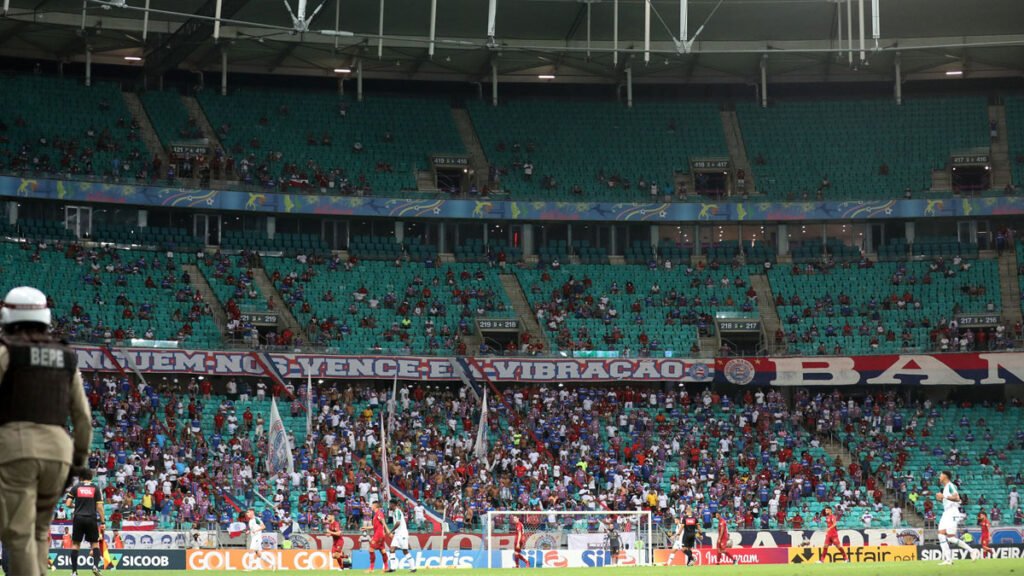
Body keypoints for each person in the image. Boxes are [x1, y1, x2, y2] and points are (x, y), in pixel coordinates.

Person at [0, 286, 92, 576]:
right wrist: (78, 462)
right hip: (59, 452)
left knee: (19, 534)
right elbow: (83, 418)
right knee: (40, 531)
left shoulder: (7, 352)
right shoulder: (66, 358)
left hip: (16, 449)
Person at [65, 468, 105, 576]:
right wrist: (103, 522)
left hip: (78, 518)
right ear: (91, 477)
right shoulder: (96, 488)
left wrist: (76, 506)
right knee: (95, 544)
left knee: (75, 545)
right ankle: (95, 566)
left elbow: (68, 503)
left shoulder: (76, 487)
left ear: (81, 477)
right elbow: (100, 507)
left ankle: (74, 572)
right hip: (91, 518)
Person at [937, 470, 978, 564]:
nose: (939, 477)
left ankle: (972, 551)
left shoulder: (950, 486)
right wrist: (940, 499)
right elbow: (947, 500)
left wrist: (943, 497)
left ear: (945, 476)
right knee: (941, 535)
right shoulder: (946, 488)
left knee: (950, 538)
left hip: (952, 512)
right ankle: (948, 560)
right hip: (946, 512)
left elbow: (957, 498)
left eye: (941, 475)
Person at [387, 499, 414, 572]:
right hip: (397, 534)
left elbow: (398, 523)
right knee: (392, 549)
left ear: (393, 504)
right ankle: (392, 568)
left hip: (402, 534)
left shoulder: (398, 511)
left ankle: (413, 568)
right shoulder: (394, 512)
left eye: (390, 504)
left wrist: (391, 531)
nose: (389, 506)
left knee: (405, 550)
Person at [368, 500, 390, 572]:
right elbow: (376, 526)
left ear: (375, 506)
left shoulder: (379, 513)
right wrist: (366, 528)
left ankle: (371, 568)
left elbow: (383, 521)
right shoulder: (376, 514)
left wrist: (386, 530)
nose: (371, 507)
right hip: (379, 533)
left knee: (371, 549)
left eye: (372, 505)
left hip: (379, 534)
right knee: (382, 550)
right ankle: (386, 567)